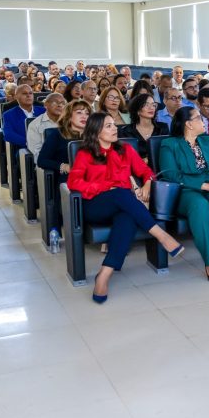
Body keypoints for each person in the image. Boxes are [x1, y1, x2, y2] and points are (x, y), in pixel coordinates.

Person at [67, 112, 185, 301]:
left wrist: (147, 182)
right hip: (96, 206)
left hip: (123, 205)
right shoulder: (85, 153)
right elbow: (74, 183)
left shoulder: (125, 150)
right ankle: (161, 236)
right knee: (121, 193)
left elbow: (145, 171)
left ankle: (104, 274)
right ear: (96, 131)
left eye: (114, 124)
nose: (115, 128)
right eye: (108, 126)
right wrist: (105, 187)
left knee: (127, 217)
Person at [159, 106, 209, 282]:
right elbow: (171, 175)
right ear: (188, 124)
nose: (203, 120)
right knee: (200, 206)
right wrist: (202, 185)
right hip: (186, 190)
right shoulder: (170, 144)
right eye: (198, 118)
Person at [38, 100, 90, 183]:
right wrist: (65, 167)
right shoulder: (57, 135)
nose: (84, 116)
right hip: (68, 179)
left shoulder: (95, 135)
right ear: (69, 116)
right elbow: (42, 160)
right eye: (79, 112)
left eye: (87, 113)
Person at [119, 94, 168, 163]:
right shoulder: (125, 131)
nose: (151, 108)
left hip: (160, 167)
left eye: (153, 104)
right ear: (137, 110)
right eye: (146, 105)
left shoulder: (163, 128)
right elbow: (124, 157)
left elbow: (167, 152)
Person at [2, 84, 44, 148]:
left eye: (30, 93)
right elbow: (8, 134)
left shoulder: (44, 111)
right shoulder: (8, 114)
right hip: (24, 149)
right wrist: (29, 142)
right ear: (16, 97)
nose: (28, 96)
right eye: (24, 93)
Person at [26, 93, 66, 157]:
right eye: (55, 102)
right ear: (45, 104)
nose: (60, 105)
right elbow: (36, 152)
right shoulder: (35, 125)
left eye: (63, 103)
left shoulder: (71, 123)